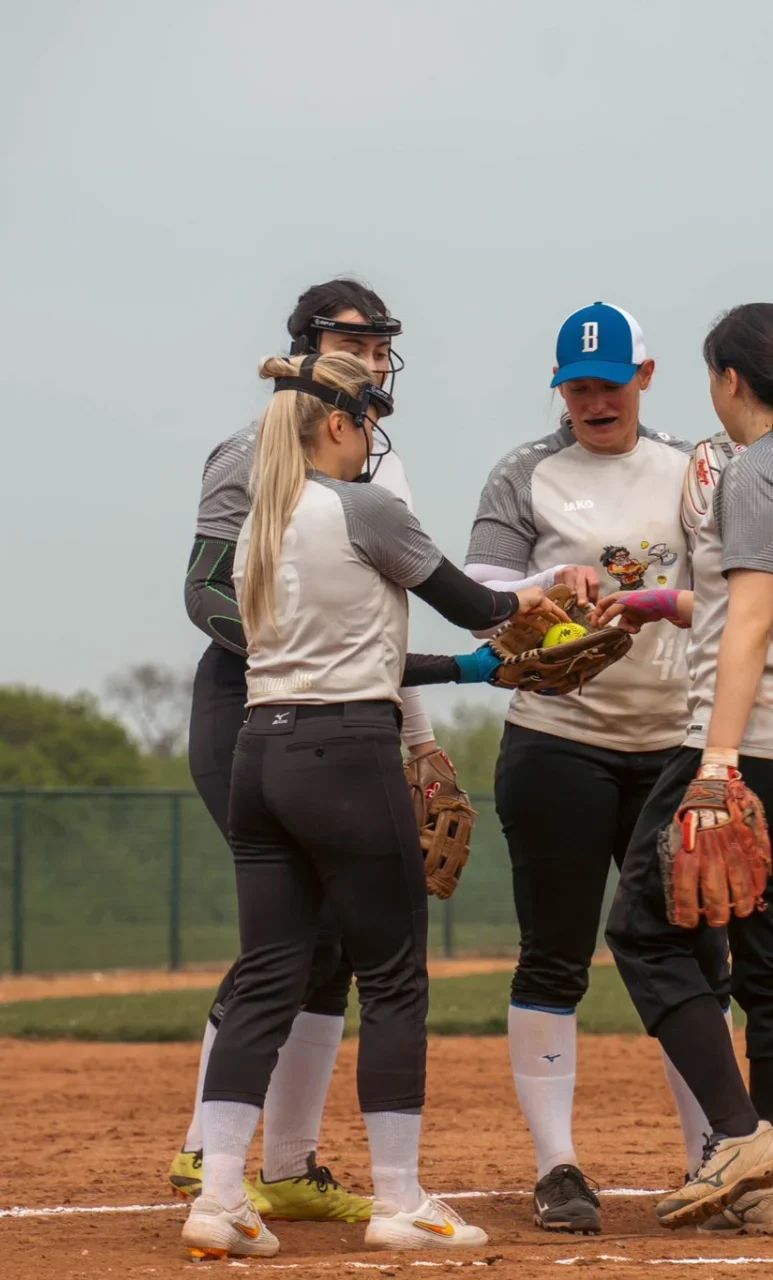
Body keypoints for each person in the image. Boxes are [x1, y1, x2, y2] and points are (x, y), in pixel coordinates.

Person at [181, 351, 558, 1260]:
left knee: (268, 975)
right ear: (339, 423)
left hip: (260, 753)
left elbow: (357, 648)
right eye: (369, 422)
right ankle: (400, 1199)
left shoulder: (259, 520)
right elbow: (480, 603)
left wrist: (470, 670)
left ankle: (220, 1197)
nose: (373, 441)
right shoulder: (365, 507)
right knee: (392, 976)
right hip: (347, 755)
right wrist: (567, 589)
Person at [173, 279, 467, 1223]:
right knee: (300, 938)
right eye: (353, 343)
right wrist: (280, 652)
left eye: (381, 344)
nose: (373, 357)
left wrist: (417, 738)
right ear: (306, 351)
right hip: (255, 702)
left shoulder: (377, 461)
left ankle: (285, 1165)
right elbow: (203, 589)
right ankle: (205, 1154)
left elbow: (379, 620)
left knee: (330, 940)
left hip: (340, 705)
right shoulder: (251, 449)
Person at [464, 302, 733, 1234]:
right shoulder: (524, 471)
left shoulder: (692, 471)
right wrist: (546, 584)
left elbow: (733, 591)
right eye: (576, 386)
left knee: (695, 956)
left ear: (644, 378)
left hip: (672, 743)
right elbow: (478, 591)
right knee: (554, 954)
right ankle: (558, 1169)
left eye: (609, 383)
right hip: (557, 741)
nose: (593, 401)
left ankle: (715, 1159)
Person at [602, 302, 773, 1233]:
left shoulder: (753, 471)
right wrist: (659, 602)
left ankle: (739, 1135)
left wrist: (716, 763)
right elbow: (766, 604)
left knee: (642, 931)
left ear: (729, 380)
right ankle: (765, 1187)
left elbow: (750, 622)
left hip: (744, 746)